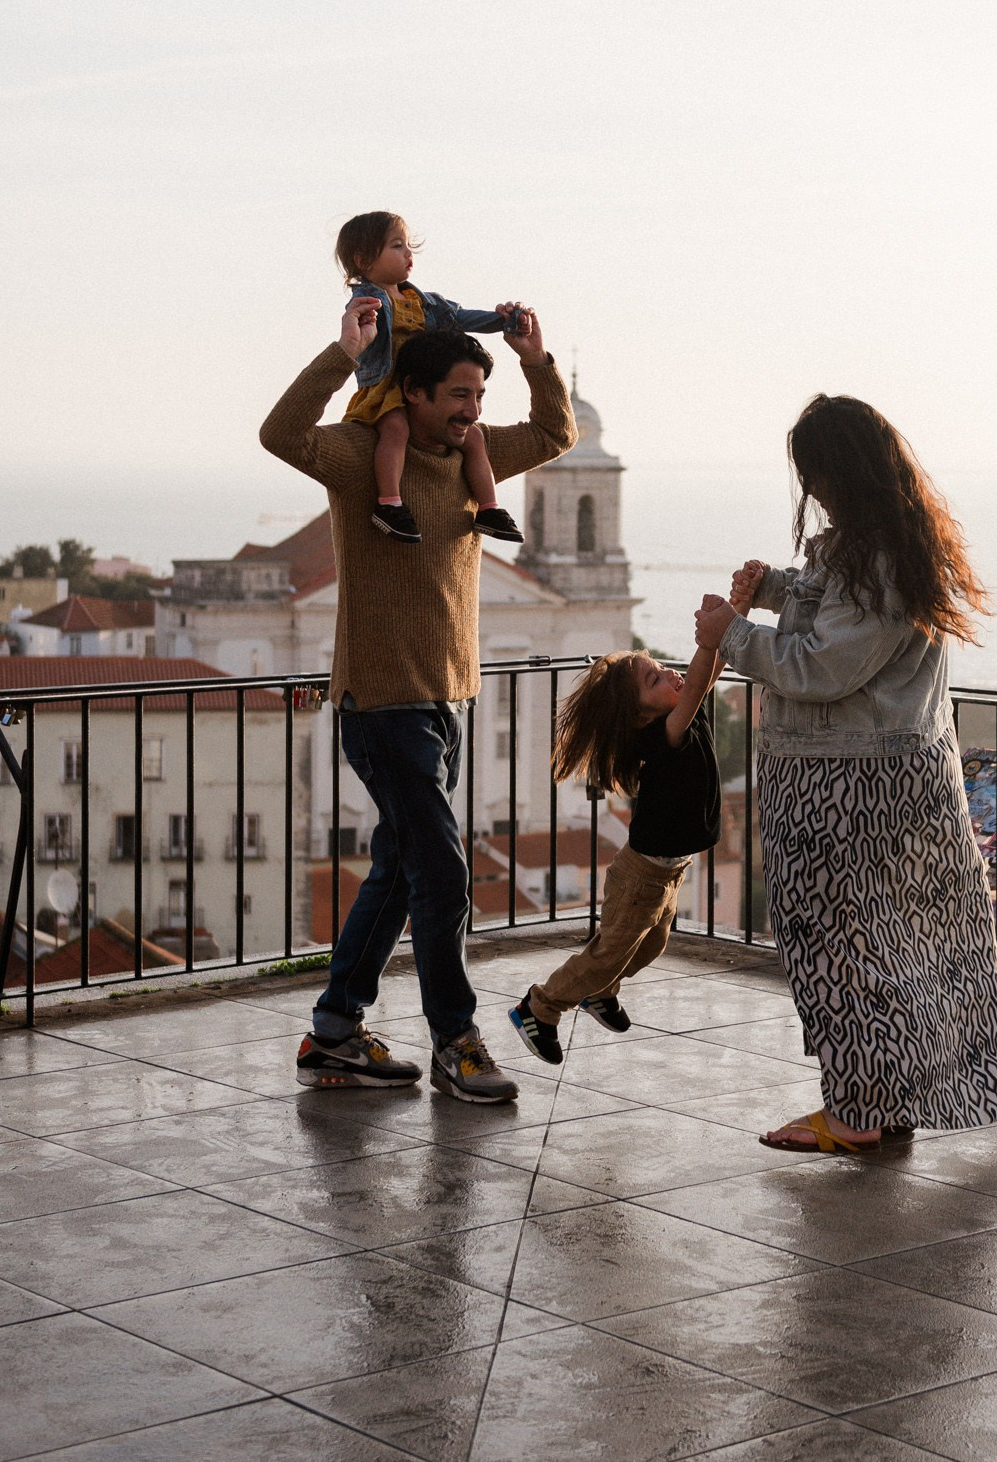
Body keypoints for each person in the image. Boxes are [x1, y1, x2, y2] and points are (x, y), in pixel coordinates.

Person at [260, 301, 575, 1104]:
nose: (472, 411)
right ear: (417, 392)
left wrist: (537, 361)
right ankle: (457, 1041)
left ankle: (334, 1032)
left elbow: (552, 435)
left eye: (479, 395)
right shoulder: (365, 453)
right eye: (458, 395)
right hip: (382, 702)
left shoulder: (473, 452)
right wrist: (341, 355)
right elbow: (282, 434)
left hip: (447, 699)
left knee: (400, 871)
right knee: (444, 873)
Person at [694, 394, 997, 1153]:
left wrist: (731, 634)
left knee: (837, 945)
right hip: (896, 777)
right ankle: (885, 1097)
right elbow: (836, 619)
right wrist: (776, 586)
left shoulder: (875, 556)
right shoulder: (892, 547)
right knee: (903, 942)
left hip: (845, 789)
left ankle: (857, 1109)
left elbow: (824, 664)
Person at [507, 617, 744, 1063]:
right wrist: (711, 639)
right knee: (606, 954)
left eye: (661, 668)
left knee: (650, 947)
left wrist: (732, 621)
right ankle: (538, 1007)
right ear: (639, 715)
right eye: (655, 678)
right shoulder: (660, 735)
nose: (671, 675)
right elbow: (694, 684)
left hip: (669, 870)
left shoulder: (685, 712)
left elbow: (704, 676)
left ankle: (601, 993)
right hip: (643, 876)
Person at [333, 210, 529, 546]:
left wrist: (504, 321)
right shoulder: (369, 300)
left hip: (422, 389)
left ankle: (489, 508)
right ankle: (390, 503)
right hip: (388, 388)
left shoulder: (422, 302)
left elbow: (461, 317)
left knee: (475, 439)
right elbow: (363, 339)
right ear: (363, 259)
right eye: (397, 246)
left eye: (409, 246)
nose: (408, 254)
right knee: (396, 428)